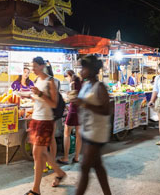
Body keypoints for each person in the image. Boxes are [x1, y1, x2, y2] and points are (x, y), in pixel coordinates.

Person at [72, 55, 112, 195]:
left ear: (91, 70)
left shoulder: (99, 87)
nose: (81, 71)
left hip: (97, 132)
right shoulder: (86, 85)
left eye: (83, 68)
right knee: (97, 165)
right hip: (87, 130)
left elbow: (107, 110)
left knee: (84, 167)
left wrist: (84, 104)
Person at [26, 57, 66, 195]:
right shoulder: (37, 80)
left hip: (45, 120)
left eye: (35, 66)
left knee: (38, 154)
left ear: (42, 66)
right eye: (32, 66)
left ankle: (36, 189)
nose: (33, 69)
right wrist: (31, 96)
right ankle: (60, 173)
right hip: (36, 119)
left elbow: (54, 104)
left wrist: (40, 93)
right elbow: (39, 99)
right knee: (41, 153)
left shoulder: (51, 82)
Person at [58, 70, 82, 165]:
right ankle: (76, 157)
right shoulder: (81, 82)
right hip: (81, 110)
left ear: (69, 75)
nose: (67, 80)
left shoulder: (72, 83)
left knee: (67, 133)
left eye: (66, 77)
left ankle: (66, 157)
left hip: (74, 110)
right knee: (78, 135)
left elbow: (73, 98)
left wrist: (67, 95)